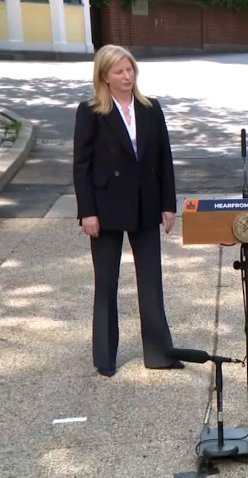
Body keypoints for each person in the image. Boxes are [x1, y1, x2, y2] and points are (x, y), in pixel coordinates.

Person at [73, 44, 182, 377]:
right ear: (104, 76)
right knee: (106, 283)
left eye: (129, 69)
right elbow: (81, 165)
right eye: (119, 71)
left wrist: (168, 205)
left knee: (151, 282)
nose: (126, 76)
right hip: (105, 209)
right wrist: (87, 212)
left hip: (146, 204)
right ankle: (105, 358)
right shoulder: (90, 111)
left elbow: (164, 159)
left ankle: (159, 352)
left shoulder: (151, 109)